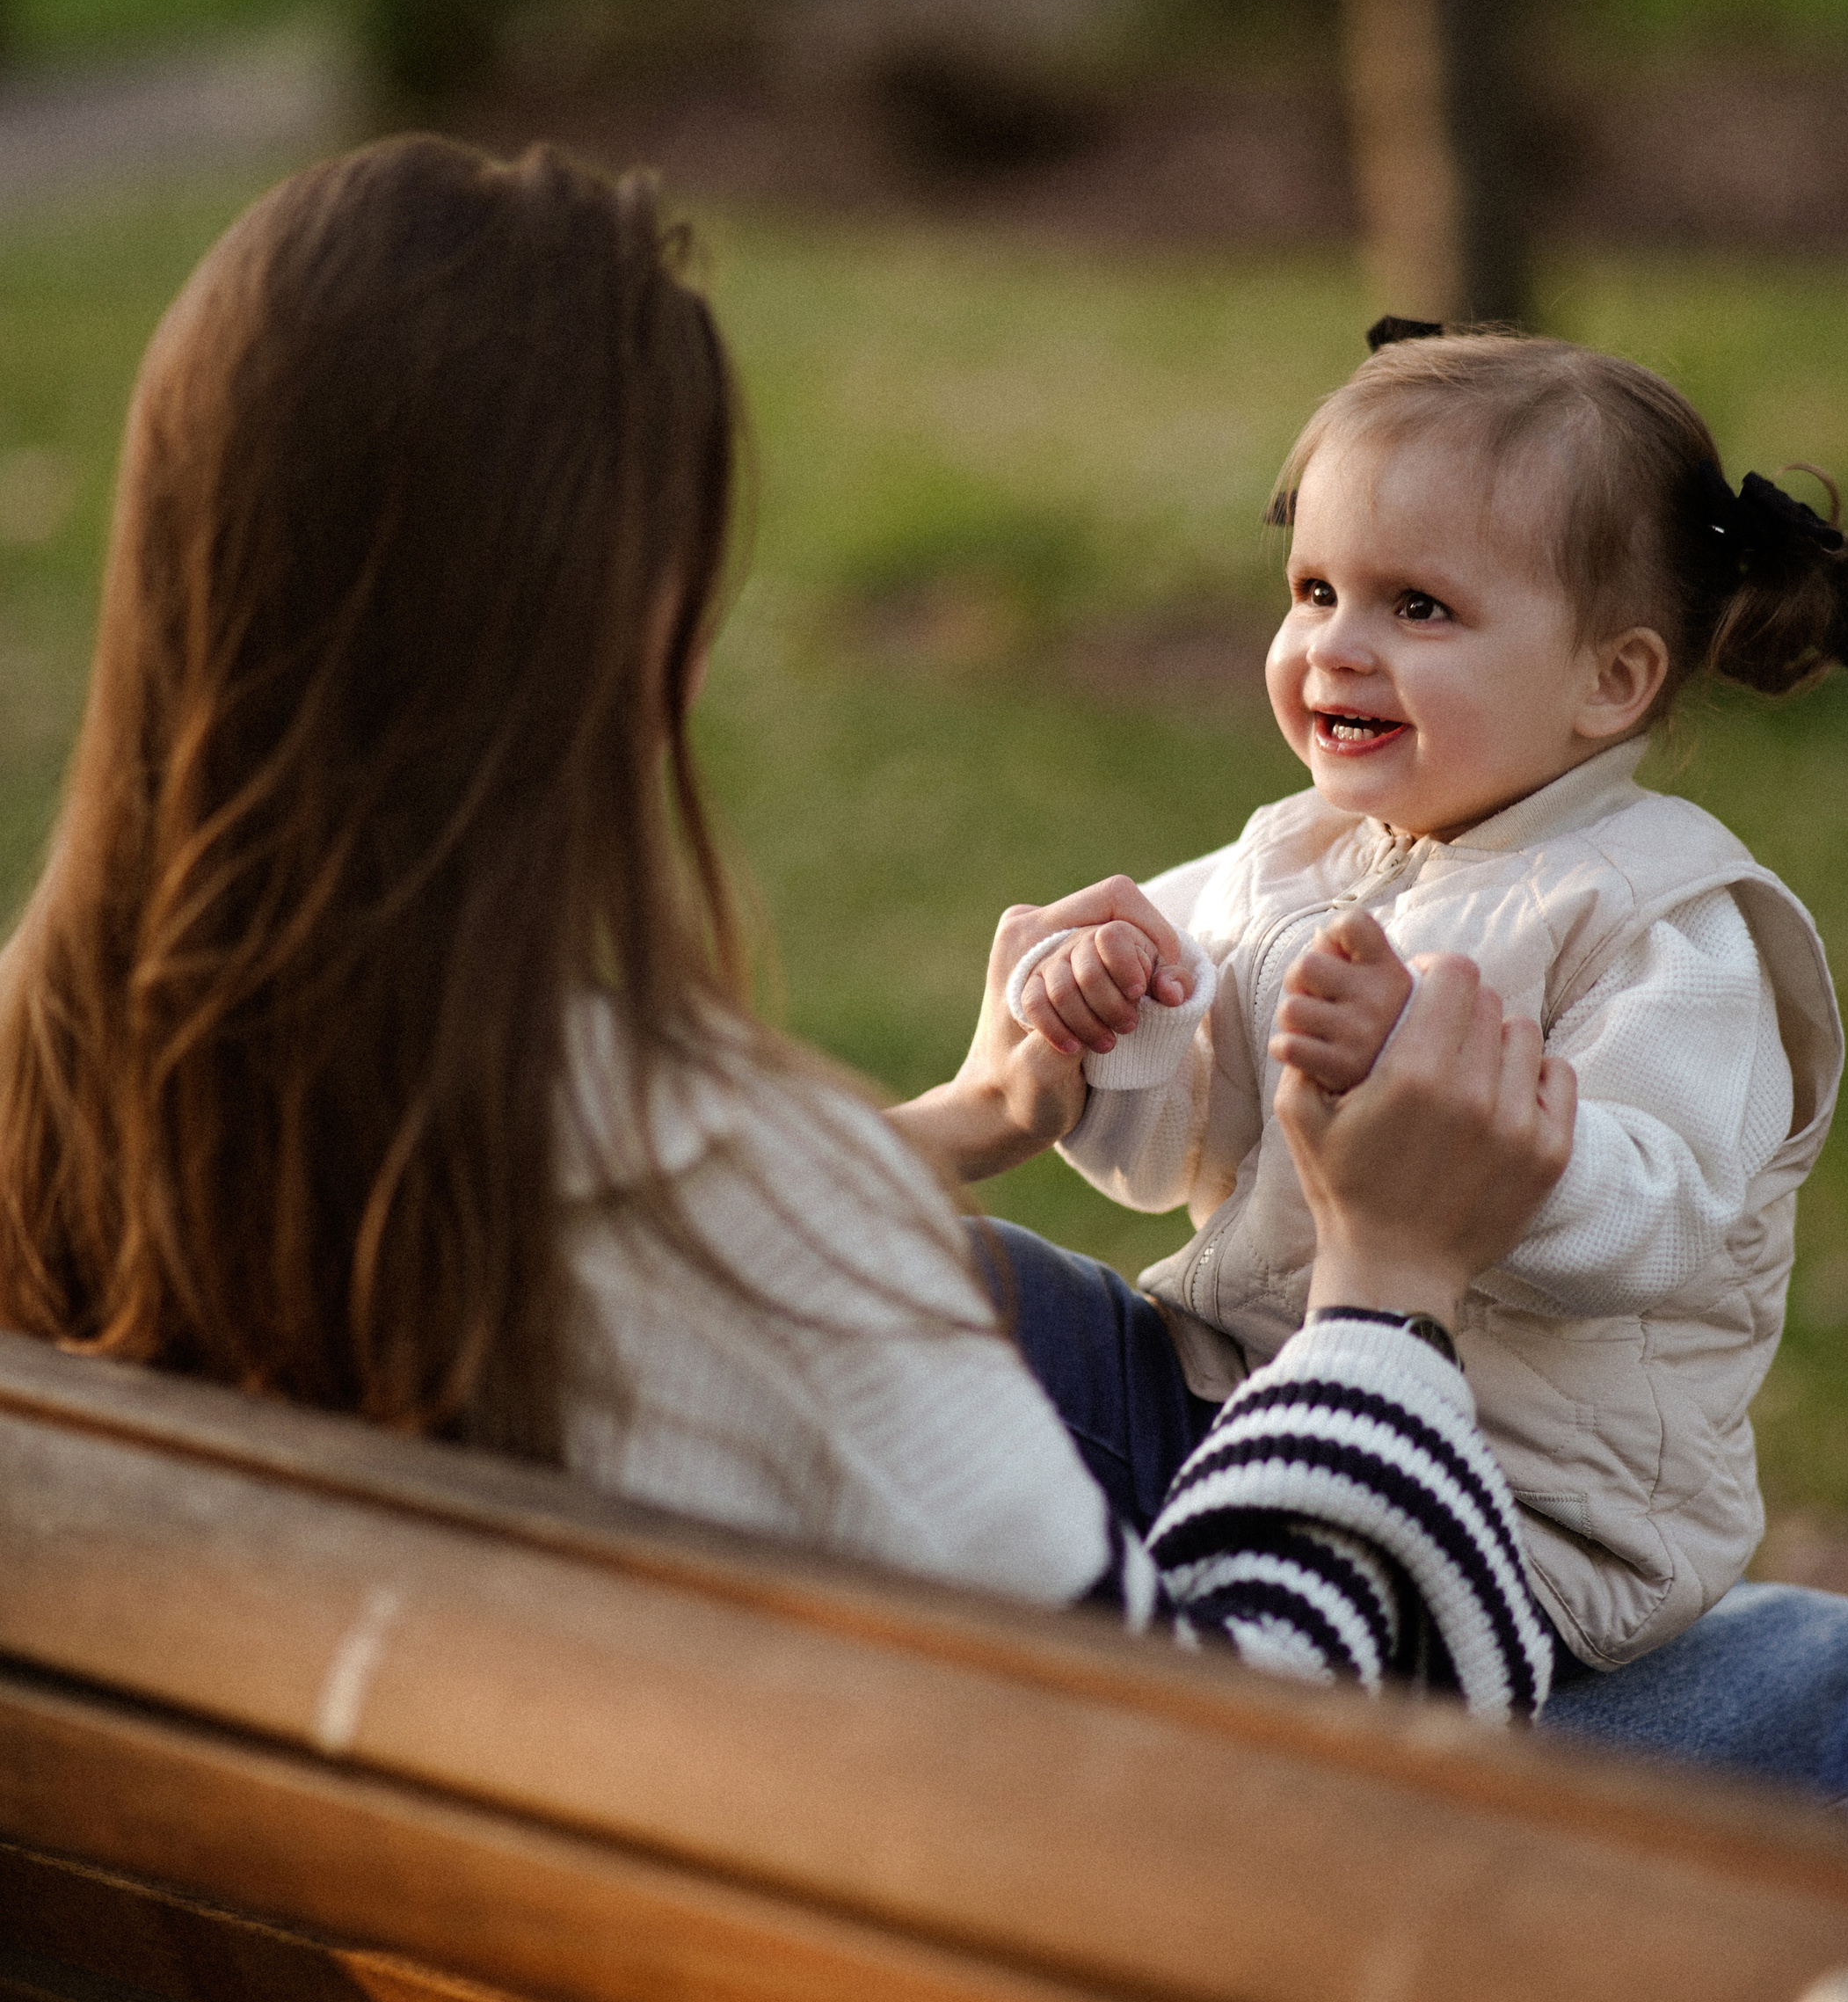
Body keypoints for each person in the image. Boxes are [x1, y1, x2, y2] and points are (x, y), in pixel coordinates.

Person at [0, 137, 1575, 1722]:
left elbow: (563, 1204)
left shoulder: (57, 1077)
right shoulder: (741, 1216)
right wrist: (1385, 1282)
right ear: (635, 633)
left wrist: (965, 1122)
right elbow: (1232, 1767)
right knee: (1829, 1684)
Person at [952, 320, 1848, 1822]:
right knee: (971, 1281)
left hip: (1512, 1521)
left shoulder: (1666, 925)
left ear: (1611, 682)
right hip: (1237, 1411)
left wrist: (1458, 1122)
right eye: (1313, 592)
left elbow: (1655, 1218)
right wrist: (1109, 1023)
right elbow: (1164, 1157)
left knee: (1841, 1680)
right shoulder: (1285, 856)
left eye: (1417, 606)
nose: (1334, 647)